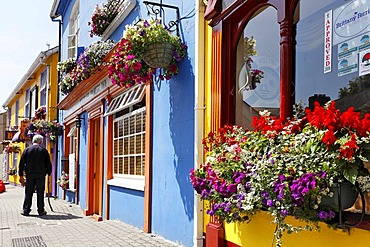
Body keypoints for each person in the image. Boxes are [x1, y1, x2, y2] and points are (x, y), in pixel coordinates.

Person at [18, 134, 52, 216]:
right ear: (40, 141)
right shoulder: (43, 150)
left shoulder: (27, 150)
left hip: (30, 175)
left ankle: (26, 210)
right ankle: (41, 210)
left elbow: (21, 163)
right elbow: (48, 163)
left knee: (28, 192)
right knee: (40, 192)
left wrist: (21, 175)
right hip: (41, 175)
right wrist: (49, 172)